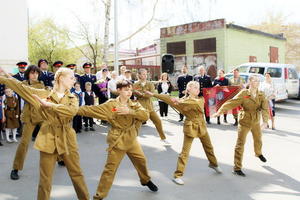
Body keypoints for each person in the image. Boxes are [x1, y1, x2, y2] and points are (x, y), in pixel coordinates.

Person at [0, 67, 89, 200]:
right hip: (47, 137)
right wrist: (2, 77)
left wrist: (50, 106)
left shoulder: (73, 97)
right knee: (45, 180)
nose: (74, 80)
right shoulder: (44, 93)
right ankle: (17, 168)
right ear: (61, 78)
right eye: (71, 77)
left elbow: (71, 111)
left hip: (67, 139)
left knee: (77, 174)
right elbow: (20, 87)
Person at [77, 80, 158, 200]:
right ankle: (99, 196)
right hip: (117, 140)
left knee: (141, 161)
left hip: (131, 139)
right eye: (126, 90)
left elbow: (145, 116)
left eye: (130, 89)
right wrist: (74, 109)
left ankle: (145, 180)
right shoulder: (111, 105)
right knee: (110, 169)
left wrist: (129, 111)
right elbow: (92, 110)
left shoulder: (134, 104)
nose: (129, 92)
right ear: (119, 90)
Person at [146, 81, 222, 185]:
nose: (197, 89)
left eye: (198, 87)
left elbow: (194, 103)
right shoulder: (182, 100)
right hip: (190, 127)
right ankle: (177, 175)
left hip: (202, 126)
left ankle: (213, 164)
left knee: (209, 147)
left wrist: (178, 101)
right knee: (185, 153)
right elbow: (168, 99)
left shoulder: (200, 99)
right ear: (188, 89)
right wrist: (154, 94)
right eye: (195, 87)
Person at [213, 75, 269, 177]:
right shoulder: (244, 93)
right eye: (255, 80)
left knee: (258, 139)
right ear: (250, 82)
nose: (257, 82)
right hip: (244, 121)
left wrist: (265, 122)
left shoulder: (261, 94)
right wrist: (220, 111)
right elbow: (232, 102)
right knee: (240, 144)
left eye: (258, 81)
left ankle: (258, 153)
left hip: (256, 121)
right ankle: (237, 168)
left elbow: (265, 108)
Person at [10, 65, 45, 180]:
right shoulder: (23, 84)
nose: (35, 75)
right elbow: (15, 85)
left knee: (51, 136)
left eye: (36, 73)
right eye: (32, 73)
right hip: (29, 117)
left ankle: (60, 159)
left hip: (40, 115)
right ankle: (15, 168)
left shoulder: (41, 85)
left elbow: (36, 96)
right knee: (24, 143)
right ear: (28, 74)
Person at [133, 68, 171, 146]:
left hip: (149, 107)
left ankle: (163, 138)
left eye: (146, 74)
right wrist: (142, 94)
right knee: (137, 124)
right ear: (139, 75)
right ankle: (133, 140)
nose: (145, 75)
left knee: (158, 121)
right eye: (143, 74)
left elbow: (151, 94)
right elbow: (135, 93)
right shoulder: (136, 84)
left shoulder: (150, 84)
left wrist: (141, 94)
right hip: (140, 108)